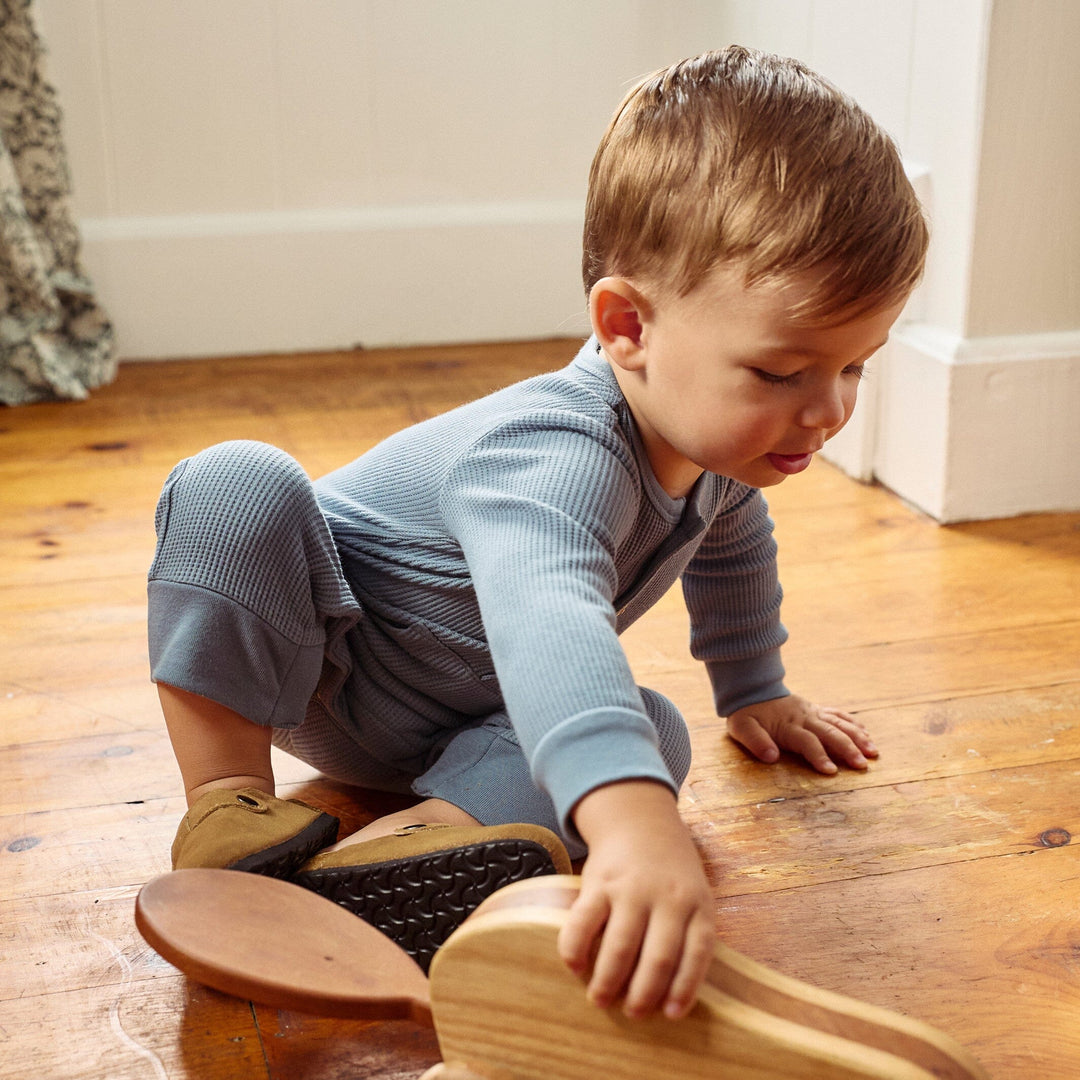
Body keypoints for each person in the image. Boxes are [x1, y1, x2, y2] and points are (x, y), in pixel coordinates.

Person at [148, 46, 928, 1023]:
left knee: (653, 729)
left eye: (856, 366)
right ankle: (228, 804)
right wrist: (638, 827)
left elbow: (734, 540)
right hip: (317, 657)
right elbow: (550, 620)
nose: (828, 411)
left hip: (452, 726)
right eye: (781, 372)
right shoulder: (550, 453)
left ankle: (417, 846)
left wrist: (754, 686)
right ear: (627, 327)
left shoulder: (717, 461)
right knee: (235, 483)